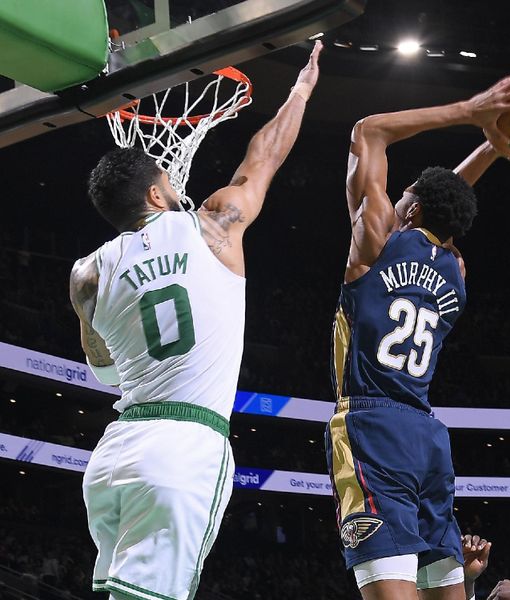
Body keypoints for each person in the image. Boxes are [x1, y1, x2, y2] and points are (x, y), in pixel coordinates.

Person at [68, 41, 322, 600]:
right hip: (183, 447)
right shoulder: (213, 226)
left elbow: (105, 372)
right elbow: (265, 157)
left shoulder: (86, 274)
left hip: (115, 456)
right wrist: (300, 90)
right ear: (158, 192)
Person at [324, 76, 510, 600]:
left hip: (372, 426)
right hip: (427, 437)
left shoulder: (375, 241)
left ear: (410, 210)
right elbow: (447, 204)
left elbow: (369, 132)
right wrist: (492, 146)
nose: (394, 201)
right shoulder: (457, 271)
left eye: (404, 198)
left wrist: (470, 111)